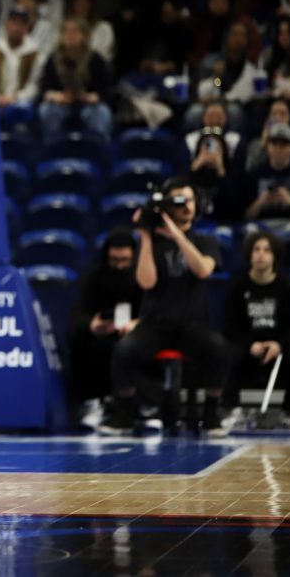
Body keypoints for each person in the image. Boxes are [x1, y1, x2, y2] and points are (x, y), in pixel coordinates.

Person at [100, 178, 229, 435]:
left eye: (189, 201)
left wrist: (176, 235)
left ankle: (212, 412)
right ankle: (124, 412)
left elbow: (202, 270)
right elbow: (146, 282)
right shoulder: (152, 244)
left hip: (192, 324)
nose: (185, 207)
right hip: (156, 325)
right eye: (178, 202)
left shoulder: (205, 241)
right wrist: (146, 238)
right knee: (124, 351)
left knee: (219, 350)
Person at [221, 233, 290, 431]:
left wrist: (279, 345)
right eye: (257, 249)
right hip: (248, 347)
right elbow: (229, 326)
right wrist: (249, 344)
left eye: (267, 250)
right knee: (227, 352)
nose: (261, 255)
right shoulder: (237, 286)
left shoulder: (286, 287)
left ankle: (288, 413)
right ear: (249, 255)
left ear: (274, 256)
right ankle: (233, 410)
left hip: (277, 349)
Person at [67, 229, 141, 429]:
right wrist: (93, 324)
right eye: (114, 260)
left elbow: (157, 311)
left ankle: (144, 407)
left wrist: (137, 323)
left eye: (125, 260)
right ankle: (93, 403)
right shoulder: (94, 278)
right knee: (88, 345)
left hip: (137, 336)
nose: (119, 265)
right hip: (102, 338)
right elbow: (77, 314)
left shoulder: (143, 278)